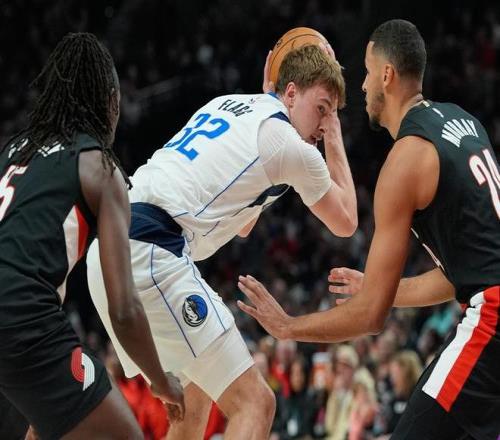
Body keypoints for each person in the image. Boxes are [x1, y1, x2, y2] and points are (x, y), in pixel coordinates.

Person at [237, 19, 500, 440]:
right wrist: (378, 286)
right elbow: (460, 276)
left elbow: (371, 317)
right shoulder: (465, 123)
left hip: (492, 319)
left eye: (366, 70)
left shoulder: (406, 160)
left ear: (387, 75)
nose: (361, 85)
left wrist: (289, 326)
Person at [87, 43, 357, 439]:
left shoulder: (227, 104)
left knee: (192, 398)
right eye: (322, 108)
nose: (325, 122)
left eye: (332, 113)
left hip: (109, 250)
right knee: (256, 403)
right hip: (151, 249)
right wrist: (335, 137)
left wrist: (276, 101)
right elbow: (346, 221)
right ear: (291, 92)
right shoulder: (291, 146)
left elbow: (243, 225)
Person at [0, 32, 184, 440]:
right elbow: (124, 310)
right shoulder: (98, 167)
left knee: (48, 426)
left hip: (18, 326)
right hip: (22, 319)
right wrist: (160, 380)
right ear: (110, 102)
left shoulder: (14, 152)